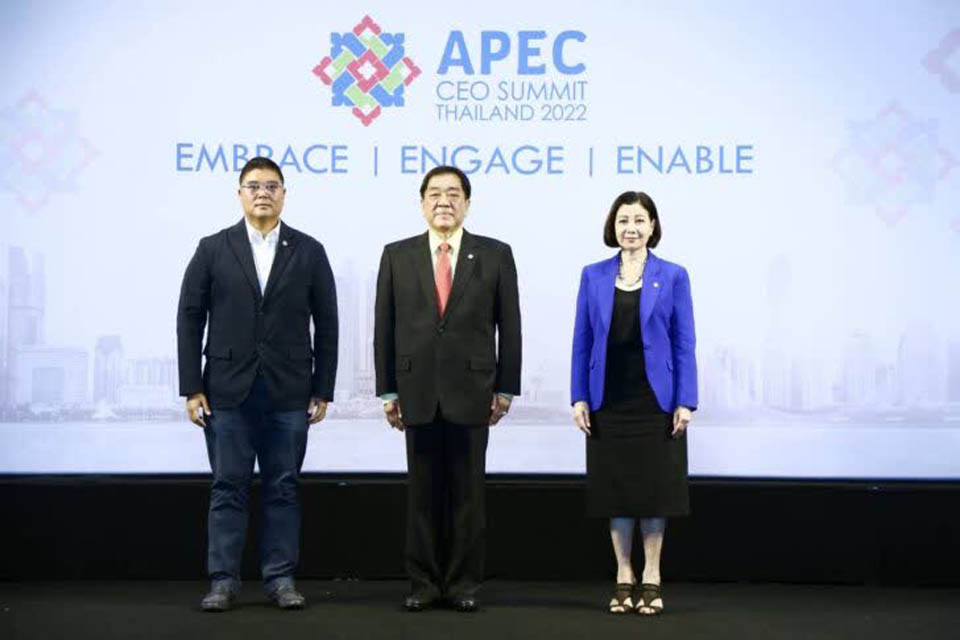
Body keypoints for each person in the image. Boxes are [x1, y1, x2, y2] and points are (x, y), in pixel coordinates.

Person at [177, 156, 338, 612]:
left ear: (284, 194)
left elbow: (327, 323)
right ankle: (223, 582)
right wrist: (192, 387)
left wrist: (322, 388)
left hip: (290, 391)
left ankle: (280, 579)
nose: (262, 192)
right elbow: (189, 318)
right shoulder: (213, 248)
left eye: (271, 185)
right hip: (226, 391)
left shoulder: (309, 250)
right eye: (254, 185)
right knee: (227, 487)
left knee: (283, 488)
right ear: (239, 193)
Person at [374, 165, 521, 612]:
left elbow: (510, 326)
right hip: (415, 390)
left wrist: (506, 388)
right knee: (421, 495)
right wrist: (388, 391)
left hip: (474, 390)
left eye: (454, 193)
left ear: (467, 204)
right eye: (435, 193)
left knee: (468, 495)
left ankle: (462, 585)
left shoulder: (495, 254)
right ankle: (422, 583)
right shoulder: (396, 255)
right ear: (422, 203)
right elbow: (384, 328)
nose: (444, 201)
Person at [570, 191, 697, 616]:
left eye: (640, 220)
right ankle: (624, 574)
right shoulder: (593, 275)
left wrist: (686, 401)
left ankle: (652, 576)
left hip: (656, 402)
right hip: (608, 401)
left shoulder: (674, 275)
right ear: (613, 225)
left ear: (653, 226)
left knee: (654, 494)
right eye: (624, 220)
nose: (631, 228)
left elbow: (684, 343)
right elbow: (582, 340)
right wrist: (579, 396)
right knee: (617, 493)